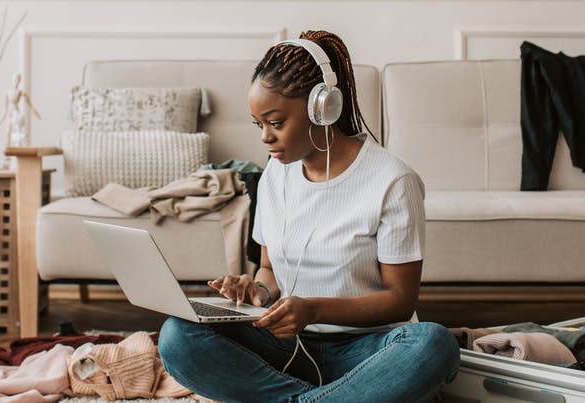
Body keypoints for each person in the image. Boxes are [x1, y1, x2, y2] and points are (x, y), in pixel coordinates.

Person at [158, 30, 459, 402]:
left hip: (368, 351)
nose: (265, 138)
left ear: (322, 107)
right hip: (289, 346)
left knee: (433, 345)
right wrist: (255, 290)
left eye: (276, 122)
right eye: (259, 125)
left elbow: (400, 299)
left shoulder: (392, 180)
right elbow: (269, 272)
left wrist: (313, 309)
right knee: (178, 335)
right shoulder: (274, 175)